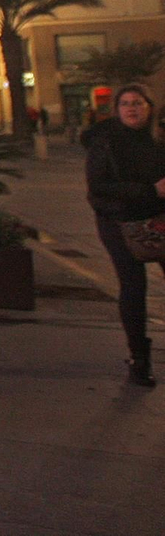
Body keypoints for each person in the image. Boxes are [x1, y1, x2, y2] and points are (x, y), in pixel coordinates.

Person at [81, 83, 165, 387]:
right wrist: (149, 190)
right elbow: (98, 187)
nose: (132, 109)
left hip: (159, 218)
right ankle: (139, 357)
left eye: (138, 103)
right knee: (133, 286)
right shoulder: (105, 141)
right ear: (117, 110)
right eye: (126, 104)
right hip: (118, 221)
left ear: (150, 107)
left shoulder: (159, 138)